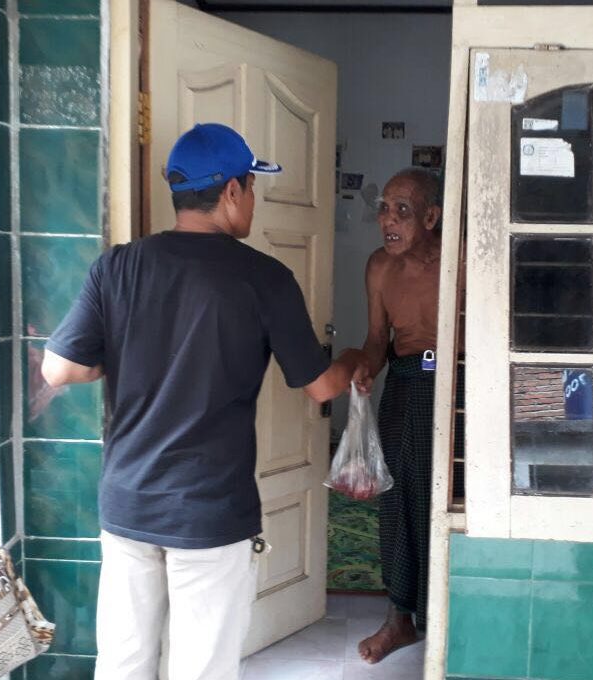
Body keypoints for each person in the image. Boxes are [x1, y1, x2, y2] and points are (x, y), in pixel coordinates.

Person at [41, 123, 369, 680]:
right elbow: (320, 387)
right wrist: (357, 356)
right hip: (209, 512)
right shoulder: (264, 278)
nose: (254, 201)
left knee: (123, 662)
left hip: (128, 505)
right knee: (202, 668)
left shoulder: (117, 266)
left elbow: (59, 368)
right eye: (253, 187)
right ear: (233, 191)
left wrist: (125, 355)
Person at [355, 168, 443, 665]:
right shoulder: (379, 267)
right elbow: (376, 341)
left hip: (457, 386)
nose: (387, 219)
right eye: (384, 208)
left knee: (447, 498)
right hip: (406, 384)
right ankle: (400, 619)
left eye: (402, 211)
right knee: (397, 499)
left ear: (430, 218)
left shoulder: (461, 258)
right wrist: (366, 369)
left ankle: (447, 611)